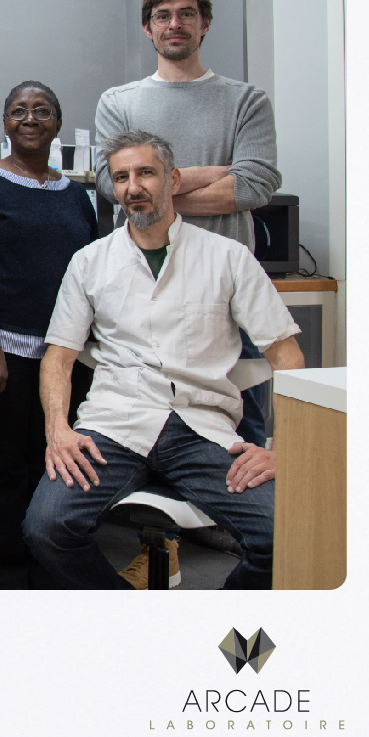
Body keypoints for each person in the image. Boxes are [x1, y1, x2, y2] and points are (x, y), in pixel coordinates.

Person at [22, 130, 304, 590]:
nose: (133, 186)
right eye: (121, 177)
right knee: (47, 528)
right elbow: (59, 356)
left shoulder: (227, 258)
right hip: (115, 425)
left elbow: (285, 353)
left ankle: (215, 629)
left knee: (285, 531)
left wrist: (284, 448)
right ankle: (131, 621)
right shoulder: (90, 262)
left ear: (172, 180)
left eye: (146, 173)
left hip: (200, 429)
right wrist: (58, 430)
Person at [94, 0, 283, 585]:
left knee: (241, 430)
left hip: (231, 294)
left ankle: (254, 549)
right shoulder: (120, 101)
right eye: (163, 16)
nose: (174, 24)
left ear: (204, 24)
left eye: (186, 14)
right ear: (148, 28)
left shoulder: (246, 100)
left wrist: (160, 191)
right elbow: (113, 189)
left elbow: (256, 183)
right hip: (145, 293)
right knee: (151, 424)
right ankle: (163, 550)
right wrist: (213, 174)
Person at [0, 81, 97, 589]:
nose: (30, 119)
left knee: (52, 461)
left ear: (58, 124)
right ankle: (5, 578)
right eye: (18, 111)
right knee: (1, 466)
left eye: (42, 111)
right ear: (5, 123)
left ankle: (47, 569)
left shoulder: (75, 196)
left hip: (61, 356)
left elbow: (93, 270)